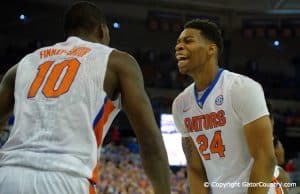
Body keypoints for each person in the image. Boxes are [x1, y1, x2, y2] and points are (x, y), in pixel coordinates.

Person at [0, 2, 170, 194]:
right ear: (102, 31)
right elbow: (149, 141)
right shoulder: (117, 61)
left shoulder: (24, 63)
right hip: (65, 179)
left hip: (7, 176)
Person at [172, 19, 276, 194]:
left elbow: (265, 159)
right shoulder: (180, 105)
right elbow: (195, 168)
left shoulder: (241, 88)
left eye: (188, 41)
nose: (178, 47)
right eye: (178, 42)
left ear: (211, 49)